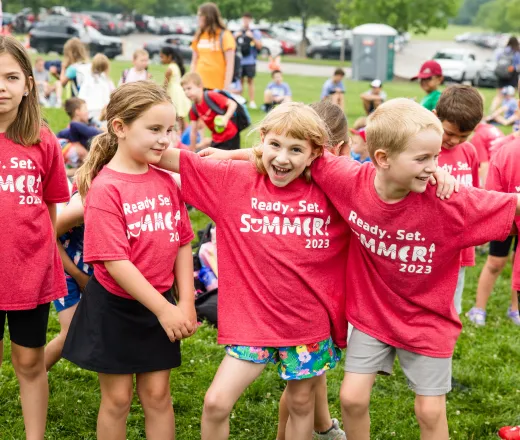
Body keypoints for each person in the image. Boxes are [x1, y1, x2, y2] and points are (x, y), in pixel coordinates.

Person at [308, 98, 520, 440]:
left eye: (436, 157)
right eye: (423, 158)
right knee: (351, 398)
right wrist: (227, 156)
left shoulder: (450, 202)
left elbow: (512, 207)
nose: (433, 166)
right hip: (372, 314)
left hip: (428, 320)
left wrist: (430, 168)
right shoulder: (349, 181)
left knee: (430, 411)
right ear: (382, 159)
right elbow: (303, 156)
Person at [157, 102, 352, 440]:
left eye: (296, 150)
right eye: (275, 145)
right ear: (262, 140)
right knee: (216, 402)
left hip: (306, 325)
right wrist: (126, 139)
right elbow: (172, 159)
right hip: (252, 323)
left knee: (302, 403)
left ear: (315, 154)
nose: (282, 158)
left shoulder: (333, 190)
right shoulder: (235, 182)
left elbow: (384, 176)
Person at [62, 81, 197, 440]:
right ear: (120, 127)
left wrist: (184, 301)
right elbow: (114, 261)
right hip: (116, 308)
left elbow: (183, 241)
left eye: (170, 129)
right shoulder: (105, 188)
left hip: (161, 303)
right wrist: (164, 310)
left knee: (157, 395)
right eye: (154, 129)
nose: (165, 139)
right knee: (117, 399)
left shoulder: (168, 182)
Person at [0, 35, 70, 439]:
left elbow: (50, 206)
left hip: (29, 275)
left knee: (29, 362)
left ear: (28, 83)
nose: (2, 87)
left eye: (11, 77)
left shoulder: (42, 139)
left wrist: (40, 255)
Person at [274, 99, 349, 440]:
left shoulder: (350, 179)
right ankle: (317, 428)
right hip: (314, 300)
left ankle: (323, 426)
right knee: (301, 384)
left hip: (322, 297)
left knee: (309, 376)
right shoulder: (305, 179)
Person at [467, 133, 520, 327]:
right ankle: (479, 307)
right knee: (495, 262)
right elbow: (491, 193)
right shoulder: (506, 148)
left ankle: (515, 309)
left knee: (518, 262)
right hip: (505, 216)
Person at [45, 188, 92, 371]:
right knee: (71, 331)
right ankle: (35, 376)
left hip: (99, 270)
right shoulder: (81, 205)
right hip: (67, 267)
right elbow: (51, 236)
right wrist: (79, 277)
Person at [182, 72, 240, 151]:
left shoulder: (210, 96)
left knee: (233, 161)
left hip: (231, 135)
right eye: (184, 90)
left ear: (200, 86)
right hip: (216, 139)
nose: (186, 92)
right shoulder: (193, 110)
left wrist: (225, 118)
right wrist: (192, 149)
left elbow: (232, 104)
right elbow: (193, 131)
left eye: (189, 88)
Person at [190, 2, 236, 91]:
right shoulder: (198, 35)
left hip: (217, 87)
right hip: (199, 86)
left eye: (200, 15)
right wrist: (191, 82)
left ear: (208, 17)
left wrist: (226, 88)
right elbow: (194, 61)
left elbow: (230, 65)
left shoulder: (225, 35)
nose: (198, 18)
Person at [234, 12, 262, 109]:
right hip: (240, 61)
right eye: (244, 19)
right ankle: (240, 100)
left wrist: (252, 37)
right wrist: (235, 36)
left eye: (247, 19)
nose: (245, 21)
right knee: (240, 81)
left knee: (250, 81)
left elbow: (259, 46)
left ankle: (252, 101)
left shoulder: (255, 32)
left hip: (250, 61)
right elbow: (230, 45)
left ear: (250, 20)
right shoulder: (238, 31)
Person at [160, 46, 191, 131]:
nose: (161, 59)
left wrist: (161, 94)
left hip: (175, 94)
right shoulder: (176, 66)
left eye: (162, 57)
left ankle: (179, 137)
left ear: (169, 57)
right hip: (180, 92)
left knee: (176, 118)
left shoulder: (170, 69)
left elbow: (165, 85)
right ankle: (184, 136)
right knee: (181, 119)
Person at [78, 53, 115, 122]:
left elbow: (81, 96)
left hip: (89, 110)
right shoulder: (107, 81)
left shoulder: (87, 79)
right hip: (103, 110)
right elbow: (113, 95)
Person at [491, 36, 520, 111]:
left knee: (499, 95)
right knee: (512, 95)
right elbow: (517, 65)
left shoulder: (501, 51)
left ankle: (492, 110)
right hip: (512, 75)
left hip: (501, 75)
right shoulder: (516, 52)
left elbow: (496, 60)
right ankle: (510, 112)